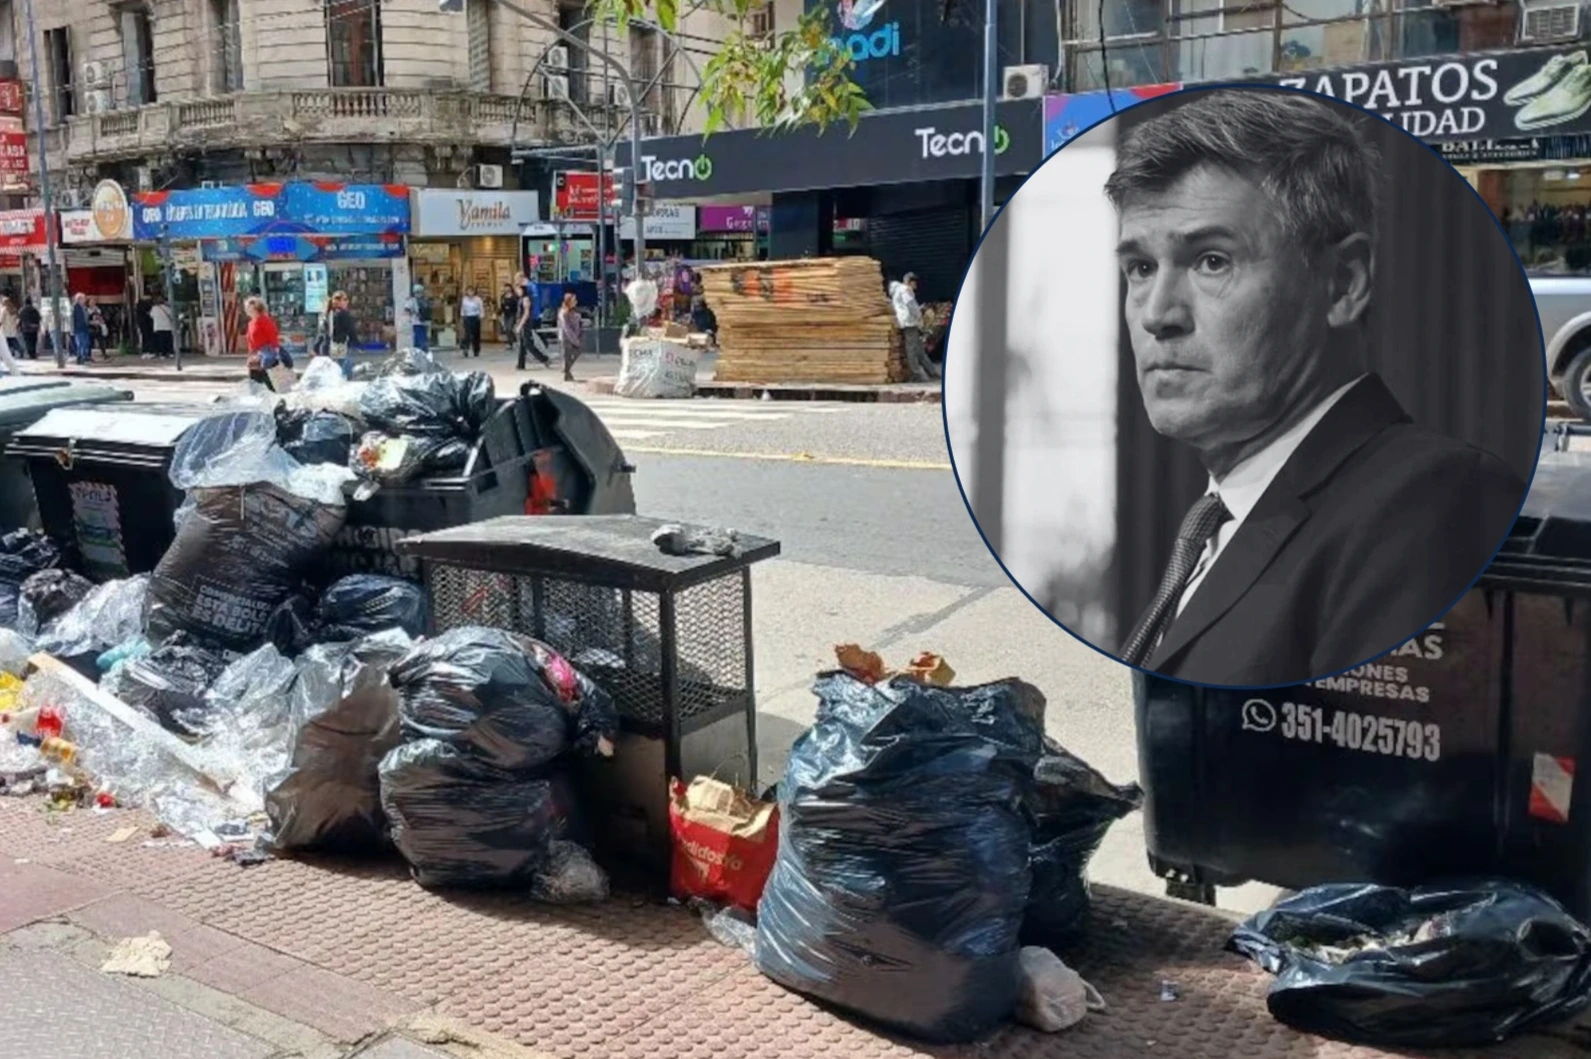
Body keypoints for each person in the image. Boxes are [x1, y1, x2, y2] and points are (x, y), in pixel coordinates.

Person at [1105, 89, 1526, 687]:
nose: (1156, 314)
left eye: (1211, 261)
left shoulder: (1432, 503)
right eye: (1140, 268)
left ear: (1342, 285)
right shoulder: (1219, 513)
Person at [889, 272, 934, 382]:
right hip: (909, 322)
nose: (916, 286)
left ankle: (931, 371)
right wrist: (919, 316)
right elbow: (911, 305)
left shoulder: (898, 290)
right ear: (910, 282)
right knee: (912, 349)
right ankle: (916, 374)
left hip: (907, 321)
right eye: (915, 284)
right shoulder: (905, 290)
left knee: (918, 348)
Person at [244, 296, 285, 391]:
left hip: (267, 355)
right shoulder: (251, 323)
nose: (248, 310)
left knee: (269, 381)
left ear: (258, 308)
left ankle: (274, 400)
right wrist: (251, 355)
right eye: (247, 307)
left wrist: (276, 351)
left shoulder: (264, 320)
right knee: (255, 382)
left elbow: (273, 336)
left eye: (251, 307)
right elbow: (250, 341)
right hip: (255, 356)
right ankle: (257, 400)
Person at [514, 270, 551, 370]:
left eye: (517, 288)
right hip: (525, 320)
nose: (516, 291)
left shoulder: (526, 297)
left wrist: (520, 325)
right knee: (523, 343)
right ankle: (521, 364)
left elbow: (526, 313)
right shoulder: (524, 296)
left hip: (527, 321)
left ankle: (544, 359)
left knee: (528, 344)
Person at [323, 290, 358, 379]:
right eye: (345, 299)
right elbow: (350, 330)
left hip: (331, 345)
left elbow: (325, 331)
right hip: (342, 344)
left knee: (336, 368)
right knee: (345, 369)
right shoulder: (343, 314)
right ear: (339, 301)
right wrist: (357, 343)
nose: (347, 302)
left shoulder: (329, 313)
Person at [556, 291, 583, 382]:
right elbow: (566, 328)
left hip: (574, 336)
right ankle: (567, 374)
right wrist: (575, 340)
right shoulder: (563, 313)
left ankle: (566, 370)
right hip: (566, 338)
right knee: (567, 355)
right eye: (573, 300)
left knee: (576, 352)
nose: (576, 302)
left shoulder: (574, 312)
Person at [459, 286, 484, 358]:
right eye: (468, 291)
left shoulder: (478, 299)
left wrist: (481, 316)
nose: (470, 293)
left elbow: (481, 308)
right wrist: (462, 316)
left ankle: (476, 350)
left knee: (476, 334)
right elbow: (463, 308)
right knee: (468, 334)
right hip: (467, 317)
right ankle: (466, 348)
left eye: (471, 291)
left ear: (474, 292)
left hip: (475, 317)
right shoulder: (464, 299)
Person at [405, 283, 431, 351]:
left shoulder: (412, 300)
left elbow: (407, 309)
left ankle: (421, 350)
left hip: (416, 322)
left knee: (419, 337)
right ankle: (417, 350)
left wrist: (411, 314)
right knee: (421, 336)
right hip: (425, 322)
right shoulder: (425, 299)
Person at [149, 294, 175, 359]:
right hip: (168, 326)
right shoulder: (167, 308)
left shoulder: (154, 308)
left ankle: (163, 353)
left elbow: (151, 316)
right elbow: (172, 315)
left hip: (158, 326)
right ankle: (170, 352)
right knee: (169, 340)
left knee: (161, 341)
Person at [70, 294, 92, 366]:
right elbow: (72, 319)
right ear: (79, 299)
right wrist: (72, 329)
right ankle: (79, 358)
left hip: (84, 327)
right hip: (78, 328)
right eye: (83, 299)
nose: (84, 300)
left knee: (85, 343)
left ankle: (84, 356)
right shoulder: (75, 307)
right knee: (80, 343)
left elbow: (86, 317)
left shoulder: (84, 307)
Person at [0, 296, 21, 366]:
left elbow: (1, 320)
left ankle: (9, 354)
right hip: (12, 328)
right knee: (13, 341)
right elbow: (17, 319)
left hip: (5, 328)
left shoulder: (4, 310)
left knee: (6, 343)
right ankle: (18, 351)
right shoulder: (14, 309)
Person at [498, 282, 519, 350]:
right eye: (505, 287)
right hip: (506, 314)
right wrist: (499, 313)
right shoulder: (503, 296)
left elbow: (517, 305)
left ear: (510, 288)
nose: (506, 289)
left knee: (510, 328)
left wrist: (517, 314)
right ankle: (510, 342)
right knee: (507, 328)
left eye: (508, 287)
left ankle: (511, 341)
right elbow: (502, 306)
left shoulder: (514, 296)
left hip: (512, 314)